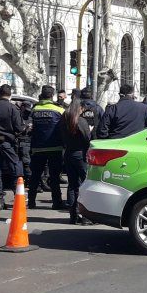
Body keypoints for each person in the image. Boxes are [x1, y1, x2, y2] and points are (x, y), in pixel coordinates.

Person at [28, 86, 65, 209]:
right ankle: (57, 202)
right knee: (54, 177)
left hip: (37, 148)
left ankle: (31, 201)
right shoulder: (59, 110)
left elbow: (29, 127)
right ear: (52, 95)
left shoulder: (34, 109)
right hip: (55, 148)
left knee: (35, 175)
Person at [60, 96, 93, 225]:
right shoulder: (81, 121)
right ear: (79, 108)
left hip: (69, 153)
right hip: (81, 155)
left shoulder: (63, 121)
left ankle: (73, 215)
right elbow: (87, 139)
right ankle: (86, 216)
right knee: (86, 185)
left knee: (72, 185)